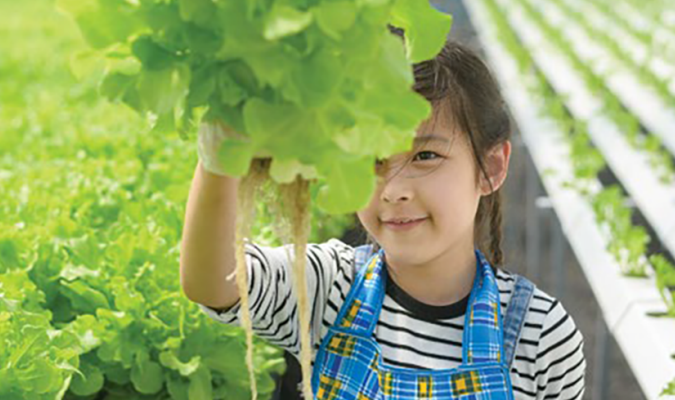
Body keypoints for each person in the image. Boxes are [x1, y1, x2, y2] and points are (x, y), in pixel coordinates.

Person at [180, 38, 586, 400]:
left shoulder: (539, 334)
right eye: (371, 160)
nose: (393, 189)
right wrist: (223, 149)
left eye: (425, 156)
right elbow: (213, 283)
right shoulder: (329, 287)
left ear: (491, 167)